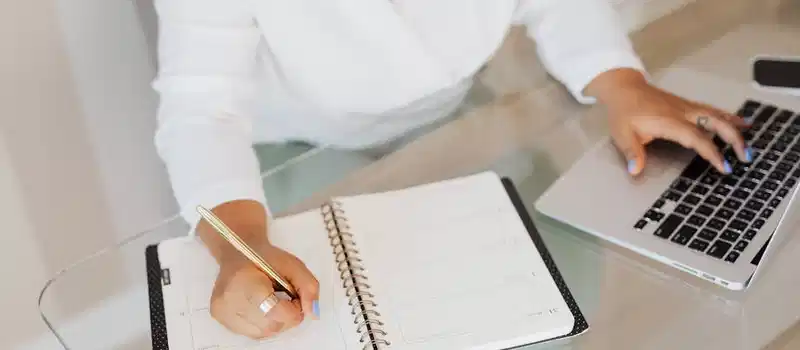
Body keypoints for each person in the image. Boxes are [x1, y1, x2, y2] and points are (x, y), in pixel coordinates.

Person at [151, 0, 752, 340]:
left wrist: (620, 82)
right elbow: (203, 112)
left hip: (454, 116)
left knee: (549, 312)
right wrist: (241, 242)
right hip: (290, 149)